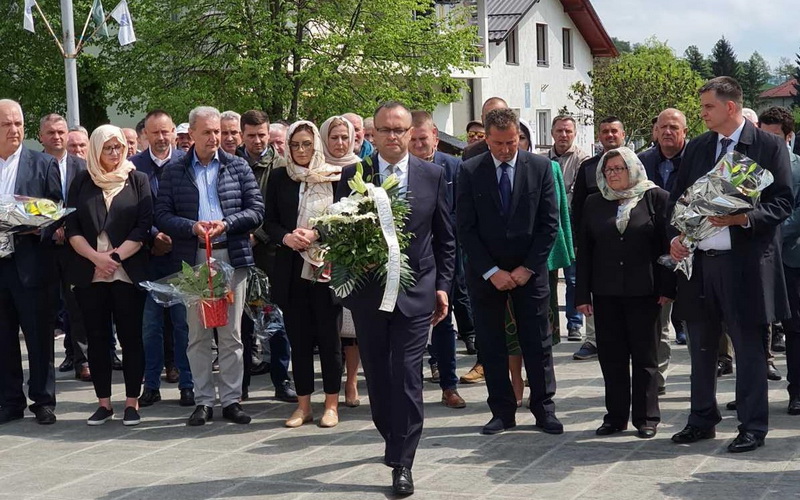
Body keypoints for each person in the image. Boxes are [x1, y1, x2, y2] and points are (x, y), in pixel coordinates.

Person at [306, 101, 455, 495]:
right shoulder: (356, 174)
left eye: (400, 130)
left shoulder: (433, 175)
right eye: (385, 130)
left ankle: (403, 461)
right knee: (378, 374)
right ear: (371, 135)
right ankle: (392, 436)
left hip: (416, 292)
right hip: (369, 295)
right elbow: (340, 230)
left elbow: (445, 239)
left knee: (408, 375)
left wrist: (443, 286)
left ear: (411, 133)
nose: (393, 137)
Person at [668, 77, 793, 453]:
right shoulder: (699, 147)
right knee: (702, 347)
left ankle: (752, 426)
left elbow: (782, 202)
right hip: (700, 264)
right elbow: (679, 199)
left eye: (707, 107)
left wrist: (744, 219)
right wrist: (676, 237)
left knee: (749, 348)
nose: (702, 113)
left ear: (731, 107)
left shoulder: (768, 145)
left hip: (746, 265)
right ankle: (701, 419)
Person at [155, 106, 265, 426]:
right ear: (191, 134)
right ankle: (203, 400)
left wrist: (227, 223)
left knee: (231, 334)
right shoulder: (175, 171)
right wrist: (191, 227)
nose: (215, 138)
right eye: (207, 132)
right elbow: (161, 214)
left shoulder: (238, 166)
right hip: (194, 260)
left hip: (230, 255)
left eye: (218, 131)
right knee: (198, 333)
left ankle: (231, 399)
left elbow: (256, 210)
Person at [457, 107, 562, 437]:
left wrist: (527, 268)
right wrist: (491, 271)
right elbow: (465, 228)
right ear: (487, 139)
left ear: (520, 137)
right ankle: (501, 410)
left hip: (529, 272)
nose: (506, 149)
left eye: (512, 142)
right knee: (491, 344)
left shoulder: (542, 168)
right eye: (499, 143)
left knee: (538, 343)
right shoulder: (470, 170)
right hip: (487, 274)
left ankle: (544, 408)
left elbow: (549, 224)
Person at [575, 147, 673, 439]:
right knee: (612, 357)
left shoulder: (656, 197)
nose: (614, 174)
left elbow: (668, 247)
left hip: (646, 291)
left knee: (646, 357)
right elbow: (586, 252)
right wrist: (582, 294)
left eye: (619, 168)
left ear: (633, 168)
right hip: (606, 292)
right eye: (609, 170)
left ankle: (646, 418)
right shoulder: (594, 202)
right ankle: (615, 416)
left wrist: (667, 287)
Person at [66, 124, 152, 426]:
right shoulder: (81, 180)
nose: (115, 153)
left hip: (126, 269)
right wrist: (96, 258)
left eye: (118, 147)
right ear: (96, 150)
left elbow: (143, 227)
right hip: (91, 271)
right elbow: (72, 227)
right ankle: (104, 402)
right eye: (108, 148)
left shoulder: (137, 179)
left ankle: (132, 402)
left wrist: (113, 258)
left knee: (131, 338)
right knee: (97, 338)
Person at [266, 120, 344, 428]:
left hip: (325, 269)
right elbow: (268, 220)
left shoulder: (335, 177)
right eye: (295, 144)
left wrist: (316, 235)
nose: (301, 150)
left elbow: (344, 219)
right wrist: (286, 238)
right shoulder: (278, 177)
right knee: (298, 340)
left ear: (317, 146)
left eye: (307, 144)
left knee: (329, 338)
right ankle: (303, 405)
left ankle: (331, 404)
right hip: (291, 268)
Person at [0, 99, 61, 425]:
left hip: (31, 263)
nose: (14, 130)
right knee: (4, 337)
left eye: (19, 124)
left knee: (38, 337)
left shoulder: (42, 164)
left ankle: (43, 400)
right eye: (7, 124)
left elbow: (56, 211)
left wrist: (27, 220)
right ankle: (10, 401)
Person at [130, 110, 195, 408]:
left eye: (165, 132)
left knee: (184, 325)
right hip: (149, 258)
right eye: (154, 132)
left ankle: (187, 384)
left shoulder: (186, 164)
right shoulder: (133, 167)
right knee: (150, 327)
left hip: (182, 254)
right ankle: (151, 385)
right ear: (145, 134)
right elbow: (132, 212)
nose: (160, 138)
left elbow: (191, 207)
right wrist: (154, 236)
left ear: (174, 133)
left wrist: (173, 235)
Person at [235, 110, 297, 404]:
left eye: (262, 135)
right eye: (251, 135)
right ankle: (241, 383)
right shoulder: (231, 164)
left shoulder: (282, 166)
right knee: (241, 324)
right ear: (241, 134)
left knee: (274, 320)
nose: (258, 141)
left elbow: (277, 212)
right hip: (236, 253)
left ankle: (281, 380)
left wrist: (256, 235)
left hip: (271, 255)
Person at [408, 110, 468, 409]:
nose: (419, 145)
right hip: (409, 258)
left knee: (443, 321)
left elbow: (462, 211)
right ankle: (409, 389)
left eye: (424, 138)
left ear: (436, 136)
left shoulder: (454, 167)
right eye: (414, 139)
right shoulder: (400, 170)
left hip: (445, 255)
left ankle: (449, 385)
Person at [638, 108, 689, 391]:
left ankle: (706, 372)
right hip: (653, 252)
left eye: (674, 127)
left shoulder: (696, 161)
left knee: (696, 320)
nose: (667, 132)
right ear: (655, 131)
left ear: (684, 132)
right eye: (663, 127)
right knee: (658, 320)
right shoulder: (642, 162)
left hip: (690, 247)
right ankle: (657, 379)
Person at [38, 113, 90, 382]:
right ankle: (43, 367)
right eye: (51, 133)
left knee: (78, 306)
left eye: (61, 132)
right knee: (45, 309)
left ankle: (83, 361)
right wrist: (50, 228)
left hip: (75, 247)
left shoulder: (83, 167)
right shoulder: (33, 166)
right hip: (44, 248)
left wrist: (69, 230)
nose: (57, 137)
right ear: (41, 137)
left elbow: (88, 206)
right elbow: (29, 205)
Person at [570, 116, 627, 361]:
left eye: (614, 131)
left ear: (623, 134)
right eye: (605, 131)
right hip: (597, 241)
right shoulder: (589, 166)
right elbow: (579, 205)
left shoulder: (637, 163)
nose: (610, 135)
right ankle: (593, 339)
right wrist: (578, 238)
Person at [319, 115, 363, 409]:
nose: (339, 143)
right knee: (329, 324)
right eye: (333, 137)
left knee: (353, 324)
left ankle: (351, 380)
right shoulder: (313, 168)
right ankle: (332, 383)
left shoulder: (360, 168)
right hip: (319, 253)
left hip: (352, 253)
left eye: (344, 137)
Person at [763, 106, 800, 414]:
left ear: (789, 137)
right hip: (757, 261)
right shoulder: (749, 170)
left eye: (774, 137)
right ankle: (751, 392)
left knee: (795, 329)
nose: (768, 143)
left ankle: (797, 391)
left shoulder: (799, 168)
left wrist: (766, 232)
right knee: (755, 326)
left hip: (790, 259)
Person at [547, 115, 589, 343]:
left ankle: (574, 323)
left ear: (574, 134)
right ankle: (552, 323)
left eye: (568, 132)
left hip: (573, 224)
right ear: (552, 132)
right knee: (550, 277)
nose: (564, 135)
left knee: (573, 278)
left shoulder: (583, 159)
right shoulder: (543, 160)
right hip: (551, 225)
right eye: (560, 131)